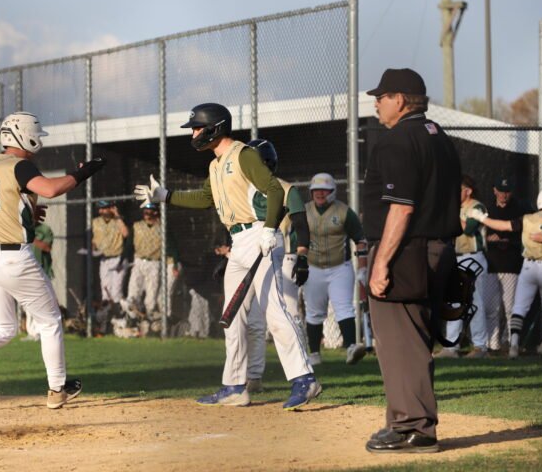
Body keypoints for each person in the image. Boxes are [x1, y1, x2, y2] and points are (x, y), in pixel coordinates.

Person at [134, 103, 320, 411]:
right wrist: (165, 196)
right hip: (238, 241)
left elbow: (274, 190)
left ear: (214, 127)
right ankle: (235, 387)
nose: (193, 133)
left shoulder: (243, 154)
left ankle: (304, 379)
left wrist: (269, 229)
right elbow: (205, 198)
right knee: (232, 317)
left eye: (197, 127)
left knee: (275, 312)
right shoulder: (215, 165)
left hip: (260, 235)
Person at [0, 111, 105, 409]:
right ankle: (57, 389)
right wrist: (83, 173)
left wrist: (27, 214)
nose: (37, 140)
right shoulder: (20, 165)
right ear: (25, 136)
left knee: (4, 327)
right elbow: (51, 189)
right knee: (50, 320)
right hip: (11, 258)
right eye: (35, 135)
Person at [362, 68, 462, 453]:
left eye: (382, 96)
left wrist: (381, 263)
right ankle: (404, 421)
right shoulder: (440, 137)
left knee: (399, 340)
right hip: (439, 248)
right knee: (415, 338)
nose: (377, 103)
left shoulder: (398, 139)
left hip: (406, 250)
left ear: (400, 100)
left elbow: (402, 208)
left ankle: (414, 427)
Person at [239, 138, 311, 394]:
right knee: (253, 321)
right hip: (248, 252)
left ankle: (303, 370)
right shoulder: (243, 189)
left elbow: (301, 226)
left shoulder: (286, 188)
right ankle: (253, 378)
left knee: (284, 313)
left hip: (279, 253)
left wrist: (302, 258)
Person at [470, 187, 542, 358]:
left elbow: (504, 226)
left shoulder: (528, 218)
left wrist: (482, 218)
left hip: (529, 266)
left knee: (519, 307)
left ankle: (514, 344)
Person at [302, 172, 368, 366]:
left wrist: (362, 269)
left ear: (332, 191)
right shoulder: (304, 211)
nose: (320, 193)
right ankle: (314, 353)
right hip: (313, 267)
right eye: (316, 190)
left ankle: (351, 347)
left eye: (324, 190)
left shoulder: (344, 212)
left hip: (340, 267)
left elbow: (360, 240)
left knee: (344, 307)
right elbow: (296, 238)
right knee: (314, 311)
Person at [435, 175, 489, 359]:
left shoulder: (476, 207)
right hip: (455, 257)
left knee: (475, 301)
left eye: (458, 190)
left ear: (468, 191)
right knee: (454, 301)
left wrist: (450, 213)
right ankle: (451, 346)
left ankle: (480, 346)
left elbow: (468, 229)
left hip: (473, 257)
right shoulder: (454, 208)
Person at [483, 177, 534, 350]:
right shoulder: (487, 210)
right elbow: (479, 234)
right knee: (491, 307)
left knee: (510, 307)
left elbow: (524, 233)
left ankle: (510, 342)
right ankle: (492, 343)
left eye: (507, 191)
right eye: (500, 191)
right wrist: (488, 239)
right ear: (494, 190)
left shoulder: (519, 209)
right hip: (491, 264)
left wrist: (509, 241)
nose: (504, 195)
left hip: (511, 264)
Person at [124, 202, 180, 324]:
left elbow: (172, 246)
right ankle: (131, 318)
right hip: (139, 260)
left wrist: (175, 263)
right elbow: (129, 245)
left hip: (154, 262)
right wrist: (125, 259)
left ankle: (149, 320)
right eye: (146, 213)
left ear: (156, 213)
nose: (148, 215)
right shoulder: (137, 226)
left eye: (151, 213)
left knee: (151, 292)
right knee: (134, 289)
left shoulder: (162, 228)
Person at [23, 206, 55, 342]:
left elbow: (47, 247)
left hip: (41, 270)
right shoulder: (22, 227)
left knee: (40, 302)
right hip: (25, 271)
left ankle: (40, 332)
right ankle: (31, 332)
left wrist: (32, 238)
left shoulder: (44, 229)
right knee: (27, 304)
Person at [92, 200, 129, 304]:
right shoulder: (95, 222)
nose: (101, 211)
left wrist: (116, 214)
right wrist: (93, 247)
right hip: (104, 259)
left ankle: (118, 312)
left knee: (116, 292)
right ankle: (108, 312)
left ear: (111, 209)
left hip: (118, 259)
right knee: (105, 291)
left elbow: (126, 233)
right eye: (100, 209)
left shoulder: (118, 220)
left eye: (104, 208)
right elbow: (94, 239)